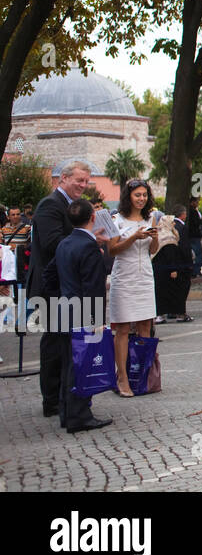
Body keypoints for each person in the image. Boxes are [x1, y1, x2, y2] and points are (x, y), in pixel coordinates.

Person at [28, 160, 93, 418]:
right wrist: (87, 239)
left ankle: (64, 397)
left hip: (65, 287)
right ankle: (52, 401)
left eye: (86, 181)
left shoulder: (68, 206)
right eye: (79, 180)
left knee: (66, 343)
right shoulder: (50, 205)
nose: (83, 185)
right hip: (50, 288)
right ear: (63, 178)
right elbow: (53, 244)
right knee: (54, 345)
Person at [53, 198, 112, 432]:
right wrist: (97, 320)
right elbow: (93, 286)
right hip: (83, 312)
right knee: (81, 364)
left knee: (68, 363)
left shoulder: (63, 243)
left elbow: (50, 276)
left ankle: (66, 412)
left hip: (64, 307)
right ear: (92, 218)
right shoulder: (88, 247)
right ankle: (79, 415)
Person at [106, 180, 159, 397]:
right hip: (124, 277)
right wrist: (134, 237)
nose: (142, 199)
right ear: (128, 196)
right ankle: (122, 378)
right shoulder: (116, 220)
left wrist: (154, 239)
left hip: (145, 276)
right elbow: (112, 250)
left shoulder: (150, 218)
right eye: (138, 195)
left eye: (145, 195)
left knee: (145, 326)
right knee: (123, 329)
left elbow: (153, 249)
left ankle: (143, 374)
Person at [153, 208, 192, 324]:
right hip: (168, 271)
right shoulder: (168, 237)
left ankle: (162, 314)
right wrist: (173, 269)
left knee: (161, 293)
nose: (174, 224)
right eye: (172, 222)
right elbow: (170, 255)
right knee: (173, 292)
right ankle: (177, 313)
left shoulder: (160, 235)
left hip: (160, 270)